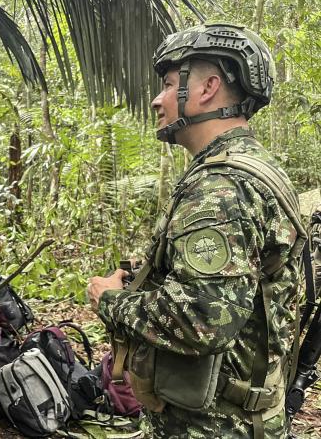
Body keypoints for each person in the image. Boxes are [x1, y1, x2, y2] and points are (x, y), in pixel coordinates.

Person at [87, 23, 306, 438]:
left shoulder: (219, 187)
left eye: (169, 84)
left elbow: (203, 319)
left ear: (207, 88)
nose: (156, 99)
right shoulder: (256, 169)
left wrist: (111, 301)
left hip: (212, 426)